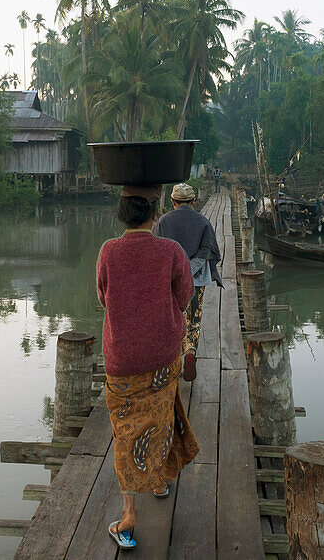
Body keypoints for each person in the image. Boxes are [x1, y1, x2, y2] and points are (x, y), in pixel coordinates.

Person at [96, 184, 199, 550]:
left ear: (122, 214)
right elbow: (185, 296)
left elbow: (104, 296)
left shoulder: (108, 251)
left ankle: (128, 516)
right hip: (162, 356)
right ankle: (159, 479)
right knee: (162, 414)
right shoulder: (170, 251)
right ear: (156, 213)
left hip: (122, 360)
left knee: (126, 434)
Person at [152, 182, 224, 381]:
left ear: (173, 201)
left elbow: (157, 253)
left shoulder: (163, 222)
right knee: (194, 317)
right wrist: (190, 270)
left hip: (171, 280)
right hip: (197, 279)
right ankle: (190, 350)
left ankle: (173, 358)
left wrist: (178, 272)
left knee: (173, 317)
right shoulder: (203, 221)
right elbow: (209, 251)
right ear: (193, 201)